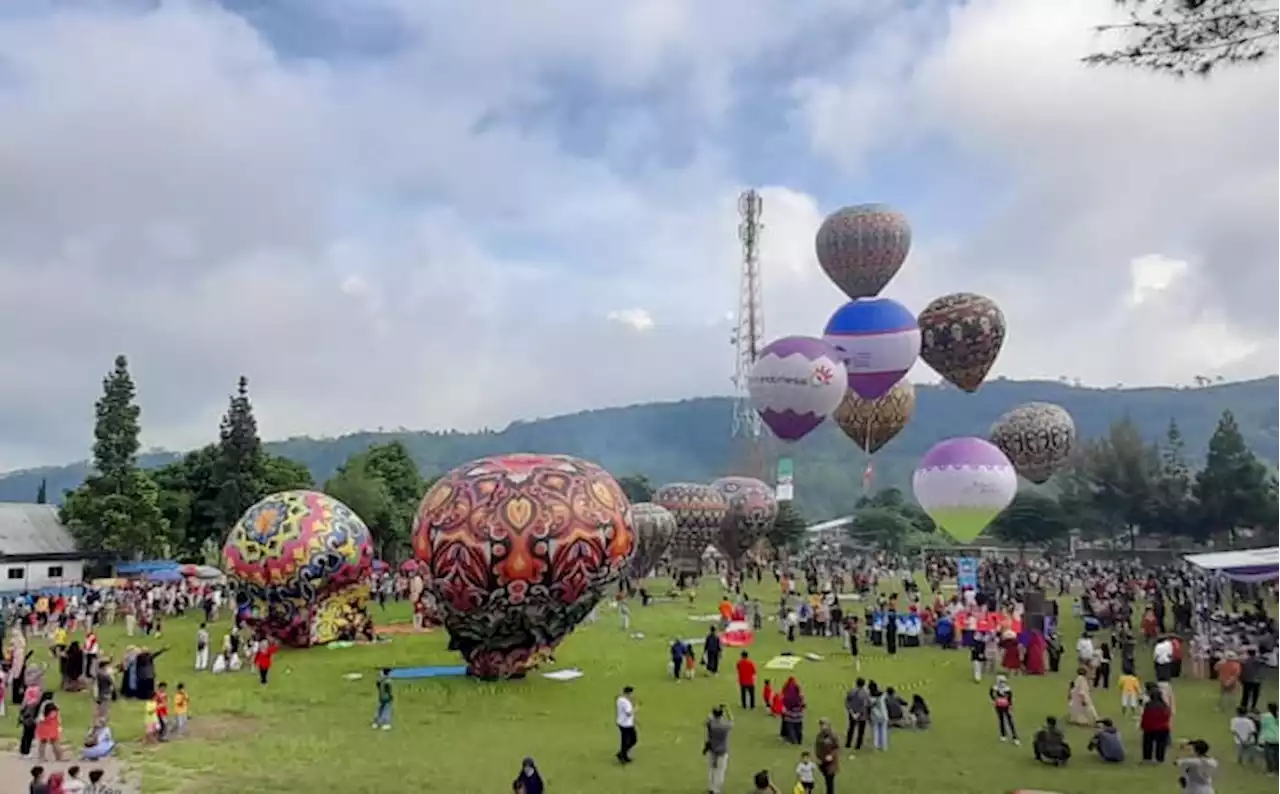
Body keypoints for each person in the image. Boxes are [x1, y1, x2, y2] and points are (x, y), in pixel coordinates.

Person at [704, 705, 733, 794]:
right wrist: (727, 710)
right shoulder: (725, 725)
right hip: (722, 750)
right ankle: (716, 789)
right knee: (720, 771)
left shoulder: (711, 723)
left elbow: (707, 719)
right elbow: (732, 720)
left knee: (711, 769)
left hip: (712, 749)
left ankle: (710, 787)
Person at [1140, 685, 1173, 763]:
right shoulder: (1164, 706)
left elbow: (1145, 716)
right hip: (1163, 728)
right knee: (1161, 745)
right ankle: (1160, 758)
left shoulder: (1148, 705)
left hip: (1150, 728)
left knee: (1147, 744)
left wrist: (1143, 726)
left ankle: (1147, 758)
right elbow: (1167, 716)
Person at [991, 674, 1019, 745]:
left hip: (1006, 706)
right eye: (1001, 682)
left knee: (1010, 720)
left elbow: (1010, 698)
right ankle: (1003, 735)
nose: (1002, 683)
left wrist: (1010, 705)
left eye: (1003, 682)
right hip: (999, 706)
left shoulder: (1007, 689)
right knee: (1001, 720)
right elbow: (991, 694)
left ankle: (1014, 736)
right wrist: (995, 700)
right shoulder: (995, 688)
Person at [813, 717, 839, 794]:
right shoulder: (819, 736)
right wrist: (817, 758)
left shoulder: (833, 736)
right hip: (822, 761)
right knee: (826, 779)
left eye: (824, 725)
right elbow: (817, 747)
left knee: (830, 780)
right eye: (821, 725)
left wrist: (831, 755)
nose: (822, 727)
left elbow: (837, 748)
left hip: (831, 762)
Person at [843, 678, 869, 750]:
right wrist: (858, 714)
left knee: (851, 729)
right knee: (861, 731)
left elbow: (846, 702)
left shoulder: (851, 691)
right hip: (862, 715)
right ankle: (858, 746)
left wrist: (851, 712)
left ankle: (848, 744)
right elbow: (864, 705)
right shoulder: (865, 693)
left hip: (852, 714)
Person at [615, 685, 637, 764]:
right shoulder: (626, 702)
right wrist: (635, 710)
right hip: (626, 724)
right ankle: (622, 755)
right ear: (628, 693)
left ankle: (623, 755)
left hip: (621, 722)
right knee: (632, 740)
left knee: (626, 741)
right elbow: (628, 713)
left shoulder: (619, 699)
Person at [781, 677, 806, 745]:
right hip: (799, 716)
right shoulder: (800, 695)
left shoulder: (787, 695)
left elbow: (784, 705)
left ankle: (794, 742)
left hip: (790, 716)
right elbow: (804, 704)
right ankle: (799, 741)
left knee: (791, 729)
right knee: (799, 729)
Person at [1260, 702, 1280, 774]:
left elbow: (1263, 728)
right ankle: (1277, 770)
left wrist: (1261, 740)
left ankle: (1270, 770)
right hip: (1278, 739)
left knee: (1268, 756)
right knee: (1278, 756)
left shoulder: (1265, 717)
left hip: (1269, 739)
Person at [868, 682, 889, 751]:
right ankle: (884, 746)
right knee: (883, 731)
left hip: (875, 715)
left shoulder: (870, 697)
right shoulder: (882, 695)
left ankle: (875, 745)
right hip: (883, 714)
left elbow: (869, 706)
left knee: (876, 731)